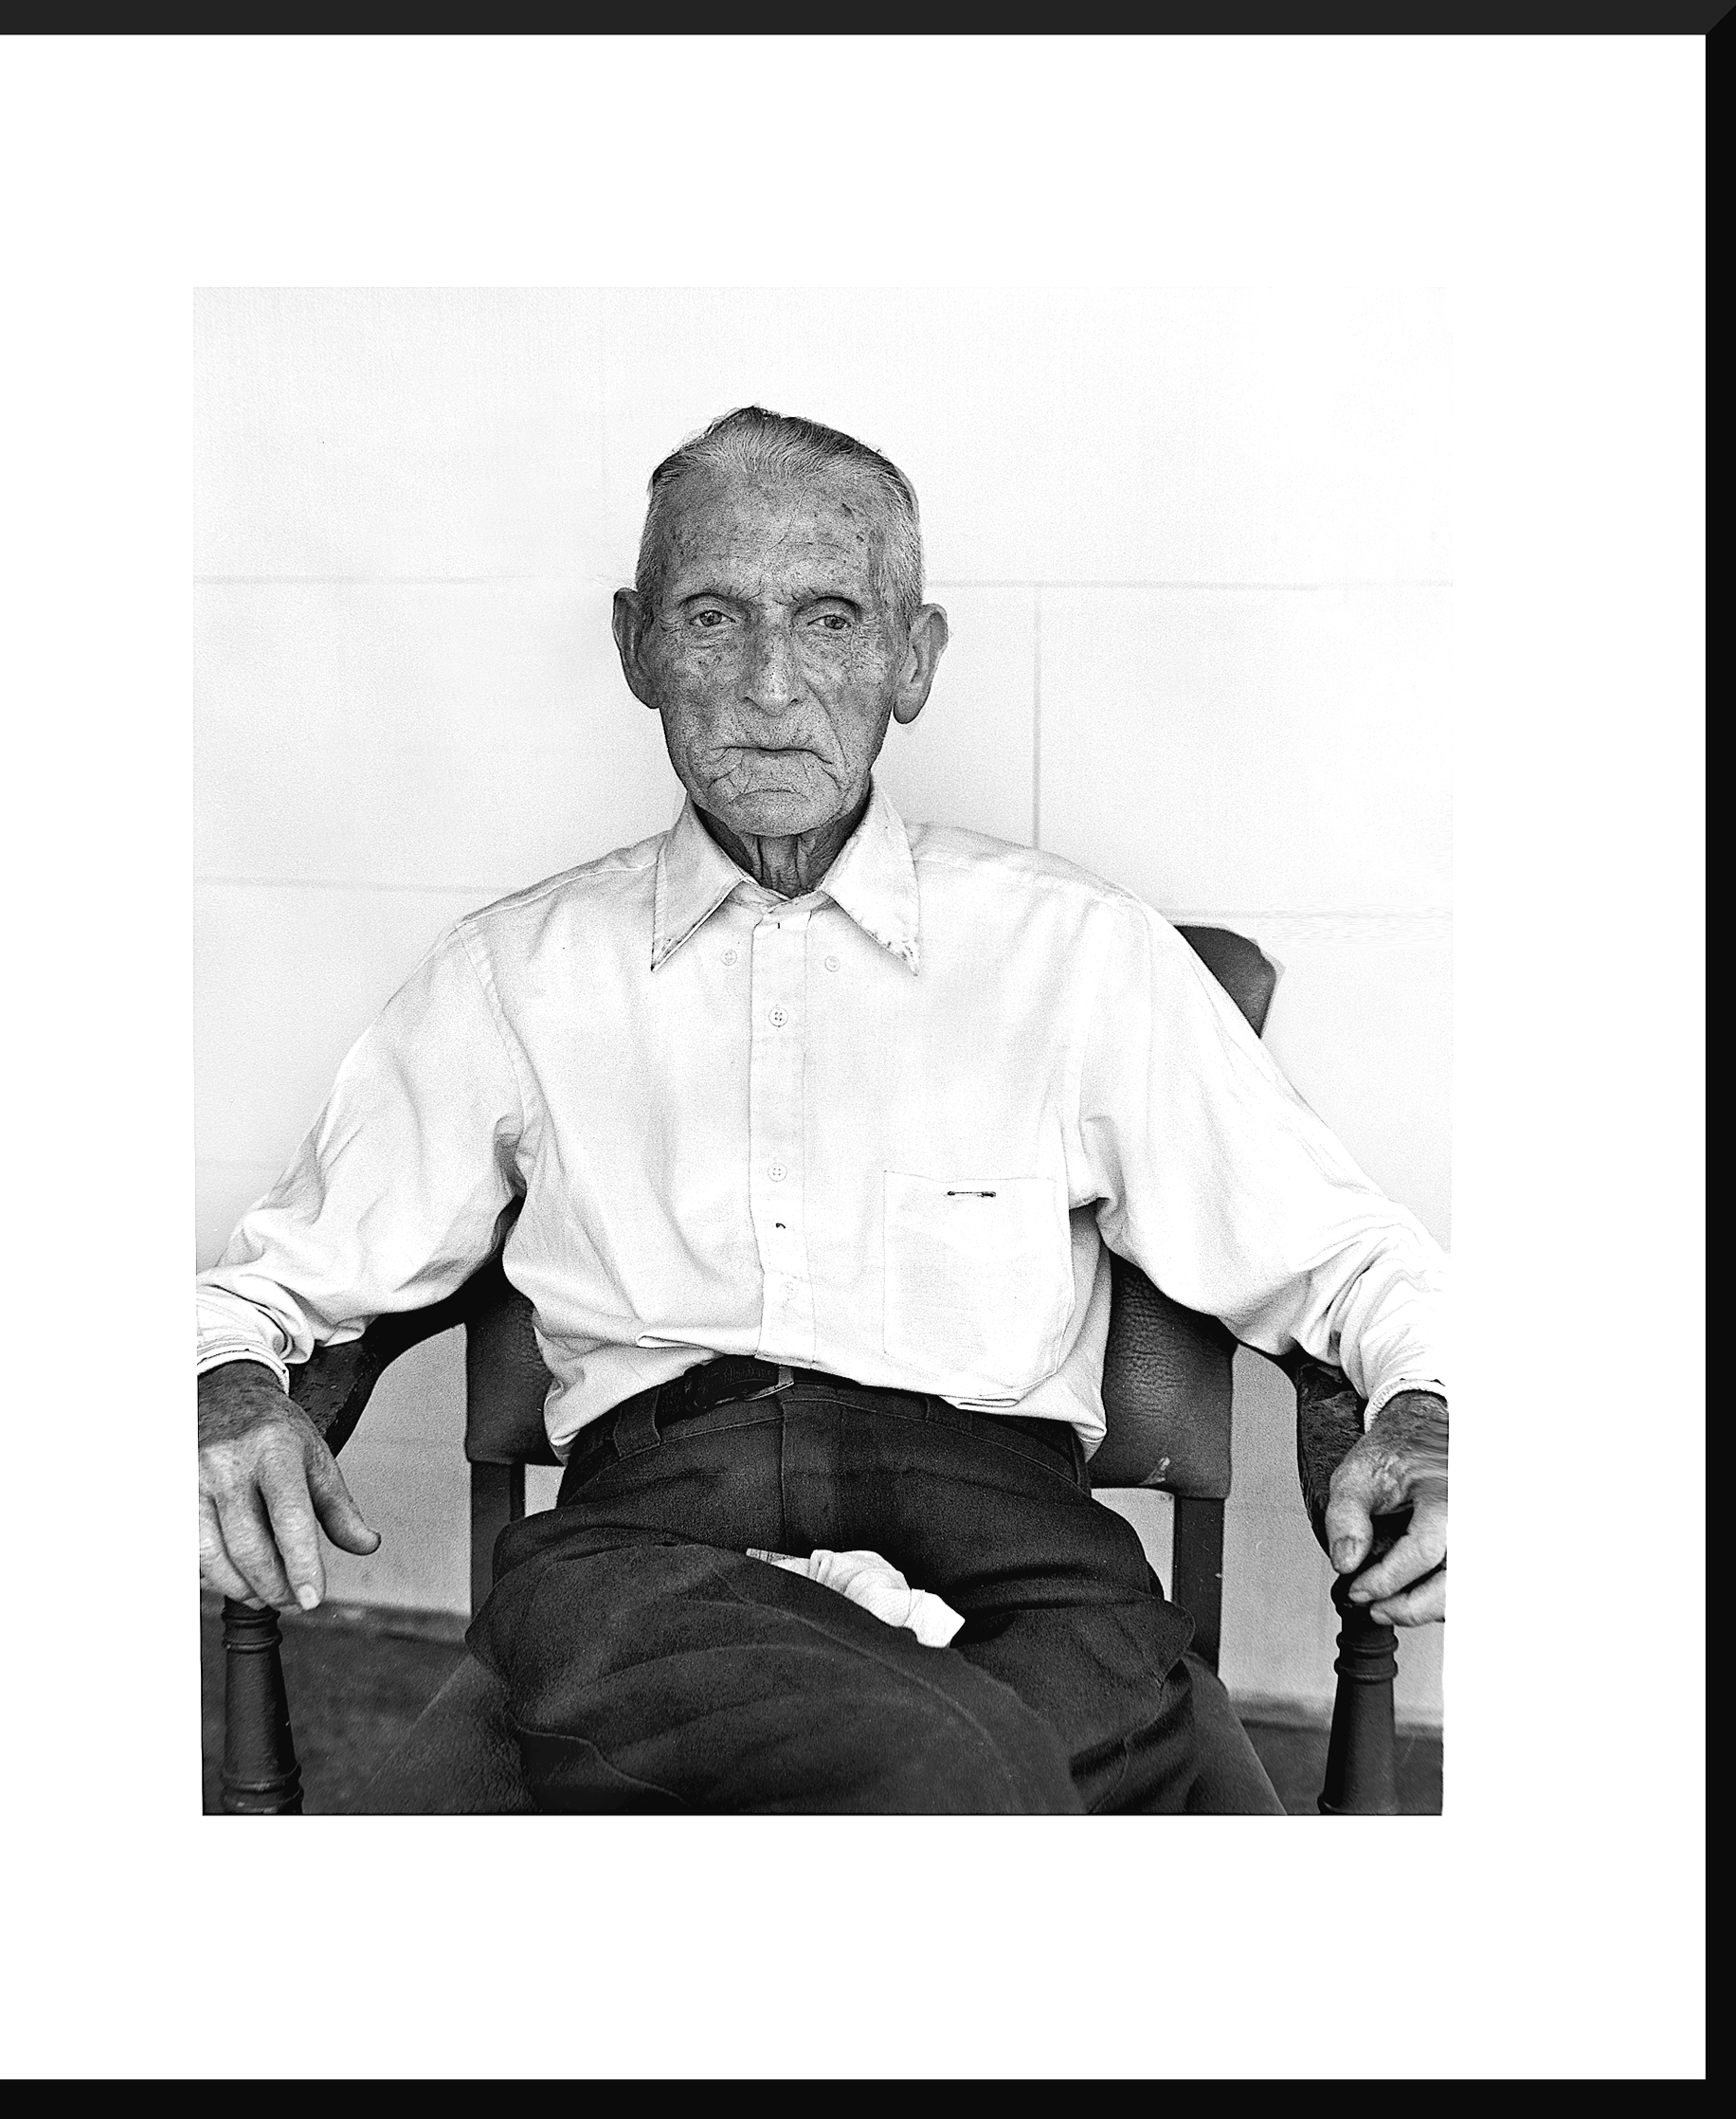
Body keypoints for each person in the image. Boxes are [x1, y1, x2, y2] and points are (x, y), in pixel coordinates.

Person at [197, 406, 1449, 1813]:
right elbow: (270, 1289)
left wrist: (1428, 1410)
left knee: (954, 1762)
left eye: (833, 618)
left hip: (1015, 1544)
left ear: (912, 662)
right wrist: (229, 1385)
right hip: (651, 1553)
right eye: (713, 617)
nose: (769, 687)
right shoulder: (510, 975)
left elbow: (1346, 1260)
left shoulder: (1079, 953)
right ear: (635, 645)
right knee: (956, 1771)